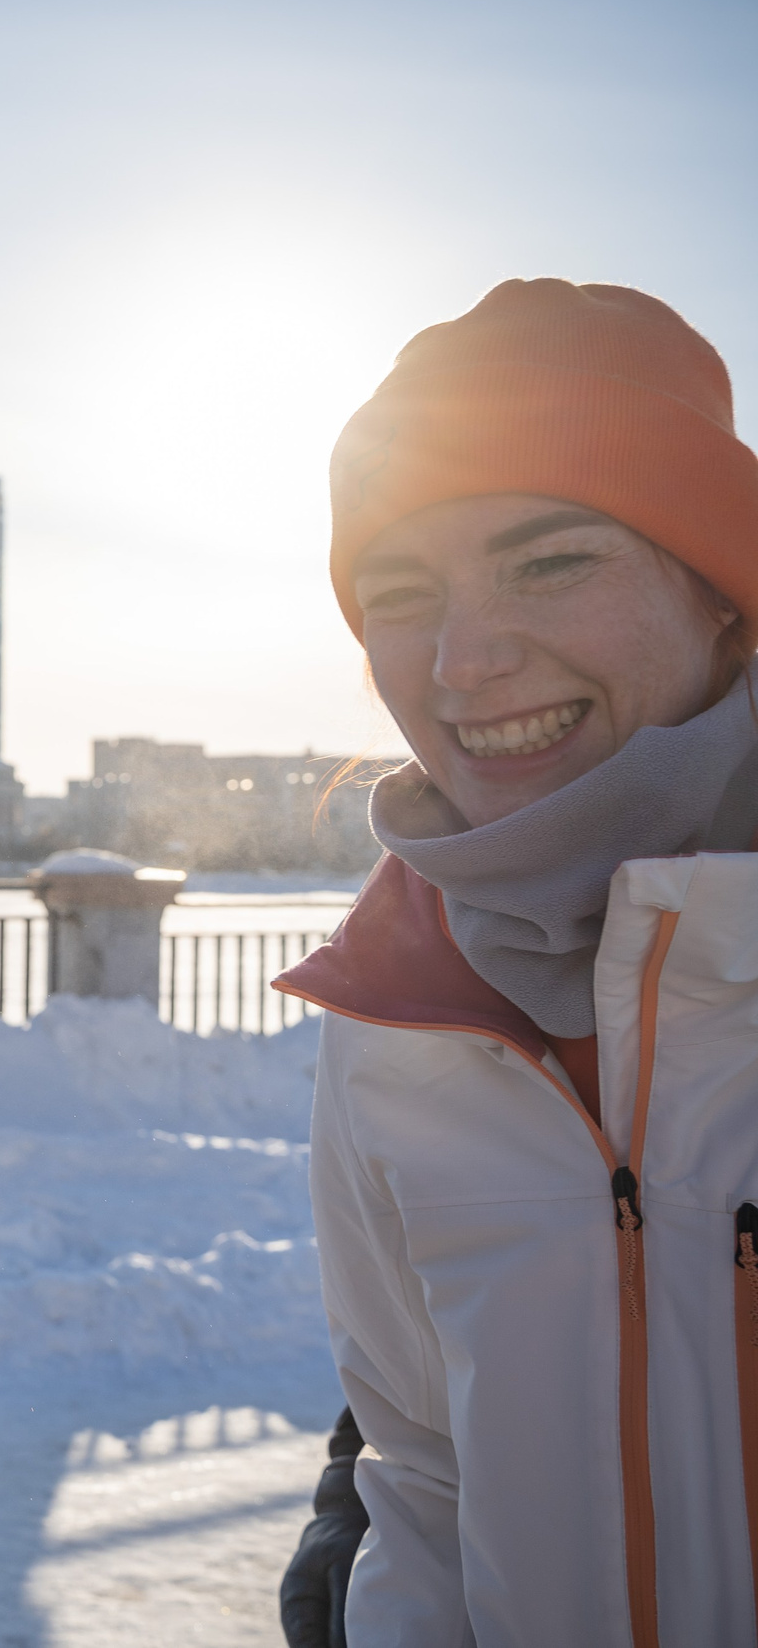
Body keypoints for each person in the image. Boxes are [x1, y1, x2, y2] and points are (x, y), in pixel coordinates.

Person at [275, 279, 758, 1645]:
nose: (466, 660)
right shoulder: (388, 1011)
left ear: (723, 595)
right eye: (403, 592)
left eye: (552, 562)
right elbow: (421, 1474)